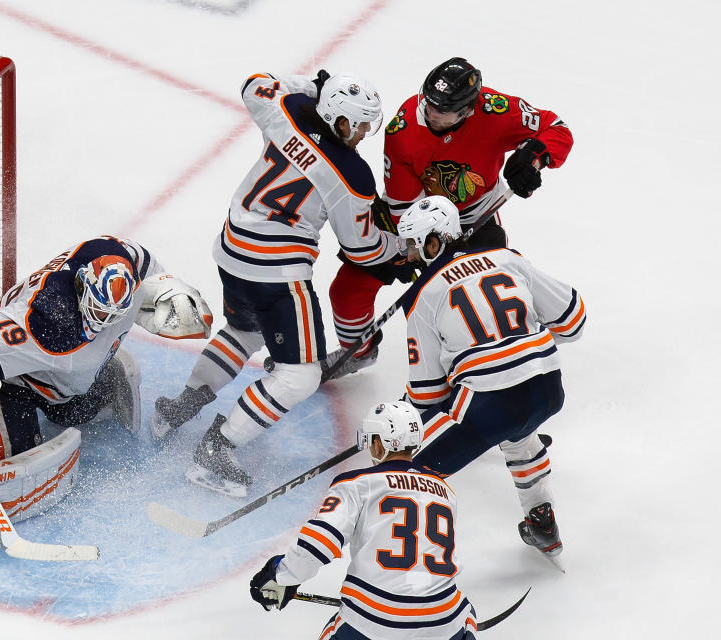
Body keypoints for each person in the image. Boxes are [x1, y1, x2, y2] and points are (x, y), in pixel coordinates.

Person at [0, 235, 214, 562]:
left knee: (75, 406)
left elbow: (150, 267)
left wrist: (172, 289)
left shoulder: (126, 259)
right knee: (21, 465)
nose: (101, 323)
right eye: (96, 311)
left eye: (112, 316)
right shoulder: (46, 320)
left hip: (65, 380)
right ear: (81, 285)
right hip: (11, 380)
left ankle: (96, 387)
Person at [152, 70, 400, 497]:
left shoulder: (290, 110)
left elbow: (254, 83)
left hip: (232, 250)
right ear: (338, 119)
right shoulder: (352, 175)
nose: (362, 133)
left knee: (244, 331)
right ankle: (217, 446)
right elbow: (362, 248)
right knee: (300, 376)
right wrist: (400, 251)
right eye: (357, 124)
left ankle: (179, 407)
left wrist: (310, 85)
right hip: (278, 272)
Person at [325, 56, 574, 379]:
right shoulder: (403, 128)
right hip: (410, 217)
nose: (430, 112)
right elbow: (403, 205)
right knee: (347, 290)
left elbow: (556, 128)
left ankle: (508, 344)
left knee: (479, 298)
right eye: (428, 102)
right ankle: (358, 352)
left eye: (441, 111)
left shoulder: (496, 110)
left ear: (468, 110)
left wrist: (535, 157)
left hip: (474, 216)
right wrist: (423, 254)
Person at [393, 196, 585, 558]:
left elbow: (427, 397)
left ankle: (401, 573)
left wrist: (396, 421)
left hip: (492, 403)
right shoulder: (508, 258)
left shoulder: (423, 296)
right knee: (518, 429)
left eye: (414, 246)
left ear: (435, 241)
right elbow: (574, 321)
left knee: (401, 470)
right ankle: (541, 518)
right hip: (547, 388)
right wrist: (523, 341)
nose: (409, 256)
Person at [250, 400, 478, 640]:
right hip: (443, 621)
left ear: (379, 444)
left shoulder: (356, 483)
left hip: (374, 621)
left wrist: (281, 574)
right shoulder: (445, 491)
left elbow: (319, 543)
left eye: (371, 441)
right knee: (465, 615)